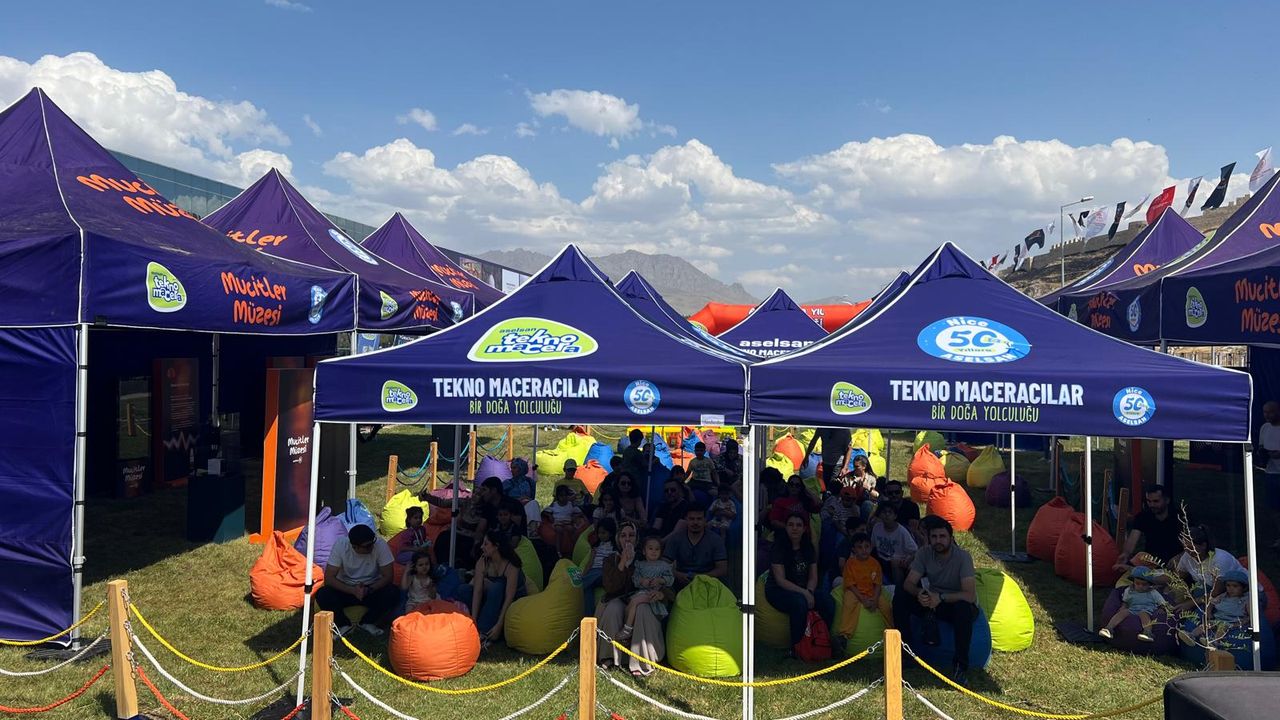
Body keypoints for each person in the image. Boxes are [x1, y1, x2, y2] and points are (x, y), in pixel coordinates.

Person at [893, 515, 978, 686]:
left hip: (953, 602)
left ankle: (960, 666)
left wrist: (941, 598)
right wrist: (919, 593)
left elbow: (969, 595)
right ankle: (906, 654)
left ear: (951, 538)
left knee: (963, 609)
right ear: (929, 538)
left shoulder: (963, 557)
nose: (938, 541)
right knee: (900, 595)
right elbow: (908, 583)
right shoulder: (924, 553)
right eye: (934, 536)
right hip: (931, 599)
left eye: (942, 536)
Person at [596, 522, 666, 677]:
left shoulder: (646, 556)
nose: (627, 539)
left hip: (642, 599)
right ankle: (610, 656)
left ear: (637, 538)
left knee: (643, 609)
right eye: (623, 535)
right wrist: (623, 562)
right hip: (617, 598)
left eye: (631, 535)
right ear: (618, 539)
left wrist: (661, 594)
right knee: (614, 608)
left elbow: (665, 580)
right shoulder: (610, 560)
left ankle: (642, 659)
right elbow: (610, 587)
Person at [765, 512, 837, 653]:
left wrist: (809, 591)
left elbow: (813, 576)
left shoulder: (808, 547)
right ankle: (797, 647)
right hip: (778, 590)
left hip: (804, 589)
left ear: (804, 528)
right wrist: (805, 593)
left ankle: (823, 640)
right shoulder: (778, 547)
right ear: (786, 527)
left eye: (798, 525)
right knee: (799, 603)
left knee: (827, 600)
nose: (794, 528)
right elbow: (780, 580)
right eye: (791, 525)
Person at [315, 524, 398, 637]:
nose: (371, 547)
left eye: (372, 543)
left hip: (371, 589)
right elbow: (329, 578)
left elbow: (388, 576)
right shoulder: (341, 545)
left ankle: (368, 622)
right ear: (354, 547)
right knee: (323, 594)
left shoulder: (380, 545)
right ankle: (343, 625)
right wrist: (352, 590)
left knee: (393, 592)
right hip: (346, 589)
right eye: (367, 546)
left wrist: (369, 589)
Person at [464, 530, 526, 646]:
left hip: (511, 602)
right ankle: (470, 627)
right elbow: (477, 591)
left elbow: (509, 597)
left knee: (496, 587)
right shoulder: (483, 561)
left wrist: (499, 625)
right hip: (493, 600)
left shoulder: (511, 565)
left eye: (486, 544)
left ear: (496, 546)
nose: (482, 547)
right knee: (464, 590)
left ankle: (484, 632)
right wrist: (474, 619)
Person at [423, 476, 502, 565]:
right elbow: (443, 503)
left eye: (478, 495)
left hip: (471, 538)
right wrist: (427, 497)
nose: (475, 496)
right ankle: (441, 565)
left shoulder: (486, 510)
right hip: (457, 533)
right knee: (443, 537)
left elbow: (479, 533)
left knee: (468, 547)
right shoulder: (465, 502)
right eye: (474, 493)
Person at [838, 532, 894, 641]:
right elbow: (850, 584)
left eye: (867, 546)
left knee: (886, 606)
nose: (864, 550)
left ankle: (892, 632)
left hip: (871, 591)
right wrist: (862, 599)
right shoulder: (850, 563)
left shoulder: (875, 563)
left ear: (871, 547)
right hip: (855, 592)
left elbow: (878, 584)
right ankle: (844, 634)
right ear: (854, 549)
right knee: (849, 603)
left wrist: (875, 599)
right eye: (860, 547)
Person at [1116, 483, 1184, 570]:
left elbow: (1192, 545)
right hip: (1151, 561)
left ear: (1167, 500)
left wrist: (1179, 557)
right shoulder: (1144, 516)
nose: (1152, 505)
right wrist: (1126, 554)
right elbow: (1132, 539)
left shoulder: (1180, 518)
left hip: (1175, 562)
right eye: (1149, 501)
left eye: (1156, 501)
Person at [1174, 524, 1244, 606]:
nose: (1187, 551)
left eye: (1190, 547)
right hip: (1207, 593)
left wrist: (1190, 604)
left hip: (1235, 594)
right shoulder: (1187, 556)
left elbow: (1217, 591)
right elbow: (1176, 577)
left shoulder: (1220, 559)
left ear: (1203, 545)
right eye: (1185, 547)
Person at [621, 536, 675, 640]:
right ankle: (627, 625)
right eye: (650, 548)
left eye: (657, 549)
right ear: (644, 551)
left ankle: (627, 629)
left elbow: (670, 579)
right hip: (642, 591)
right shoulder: (640, 565)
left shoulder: (664, 566)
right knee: (633, 603)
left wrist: (660, 580)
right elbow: (635, 579)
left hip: (655, 594)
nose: (654, 551)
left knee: (636, 601)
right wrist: (642, 581)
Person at [1179, 568, 1251, 646]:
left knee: (1222, 627)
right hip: (1218, 619)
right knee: (1207, 624)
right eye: (1228, 585)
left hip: (1231, 622)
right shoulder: (1223, 596)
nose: (1231, 589)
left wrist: (1242, 622)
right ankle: (1191, 635)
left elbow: (1250, 615)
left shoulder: (1245, 599)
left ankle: (1215, 642)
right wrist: (1209, 613)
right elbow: (1211, 602)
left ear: (1243, 587)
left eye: (1235, 586)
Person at [664, 506, 728, 590]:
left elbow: (722, 569)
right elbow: (664, 564)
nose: (695, 522)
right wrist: (677, 575)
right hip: (680, 581)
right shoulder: (675, 538)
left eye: (699, 519)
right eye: (691, 519)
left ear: (705, 520)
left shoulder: (715, 540)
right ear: (686, 520)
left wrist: (701, 577)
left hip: (708, 583)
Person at [1098, 566, 1168, 642]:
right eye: (1137, 583)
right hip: (1133, 609)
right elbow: (1125, 601)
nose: (1140, 586)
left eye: (1144, 584)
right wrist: (1123, 607)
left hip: (1147, 610)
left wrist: (1162, 608)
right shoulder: (1129, 591)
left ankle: (1148, 633)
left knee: (1143, 614)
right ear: (1133, 582)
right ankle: (1109, 629)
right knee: (1122, 613)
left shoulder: (1153, 593)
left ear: (1149, 584)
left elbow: (1162, 602)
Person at [870, 502, 918, 587]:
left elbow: (915, 550)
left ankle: (898, 588)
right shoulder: (877, 527)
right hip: (881, 559)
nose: (887, 515)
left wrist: (908, 560)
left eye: (890, 512)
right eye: (884, 512)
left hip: (897, 563)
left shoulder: (902, 532)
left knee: (894, 561)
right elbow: (872, 545)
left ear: (895, 516)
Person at [581, 518, 618, 616]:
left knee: (589, 581)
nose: (600, 535)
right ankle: (589, 616)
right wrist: (584, 574)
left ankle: (579, 584)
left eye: (603, 533)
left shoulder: (614, 548)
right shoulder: (596, 547)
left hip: (605, 572)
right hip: (594, 572)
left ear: (611, 533)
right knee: (587, 590)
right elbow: (590, 562)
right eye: (599, 533)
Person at [1257, 401, 1280, 550]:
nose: (1267, 415)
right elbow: (1261, 447)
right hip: (1271, 472)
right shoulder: (1264, 428)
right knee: (1274, 508)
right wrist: (1262, 454)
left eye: (1271, 412)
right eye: (1265, 412)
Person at [545, 484, 585, 558]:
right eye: (561, 496)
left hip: (567, 523)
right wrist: (550, 516)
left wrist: (575, 517)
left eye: (565, 495)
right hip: (558, 523)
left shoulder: (570, 505)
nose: (563, 498)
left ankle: (573, 548)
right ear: (557, 496)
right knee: (559, 530)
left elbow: (580, 512)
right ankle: (558, 550)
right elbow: (545, 512)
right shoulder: (554, 505)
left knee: (571, 529)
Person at [879, 481, 923, 547]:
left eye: (897, 492)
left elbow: (913, 529)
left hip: (907, 539)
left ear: (902, 493)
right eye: (890, 493)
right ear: (887, 494)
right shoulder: (883, 506)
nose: (894, 495)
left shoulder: (911, 506)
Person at [401, 549, 439, 613]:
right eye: (420, 565)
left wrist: (430, 588)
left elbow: (433, 596)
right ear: (415, 567)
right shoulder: (413, 577)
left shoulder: (430, 579)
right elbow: (404, 587)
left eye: (427, 564)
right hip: (414, 602)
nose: (424, 567)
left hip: (427, 602)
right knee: (408, 612)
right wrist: (406, 572)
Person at [846, 455, 879, 521]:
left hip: (867, 503)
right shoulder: (848, 477)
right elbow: (844, 492)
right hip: (852, 502)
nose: (854, 468)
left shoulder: (871, 478)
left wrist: (867, 487)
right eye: (854, 466)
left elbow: (877, 495)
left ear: (864, 467)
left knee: (867, 504)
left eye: (857, 467)